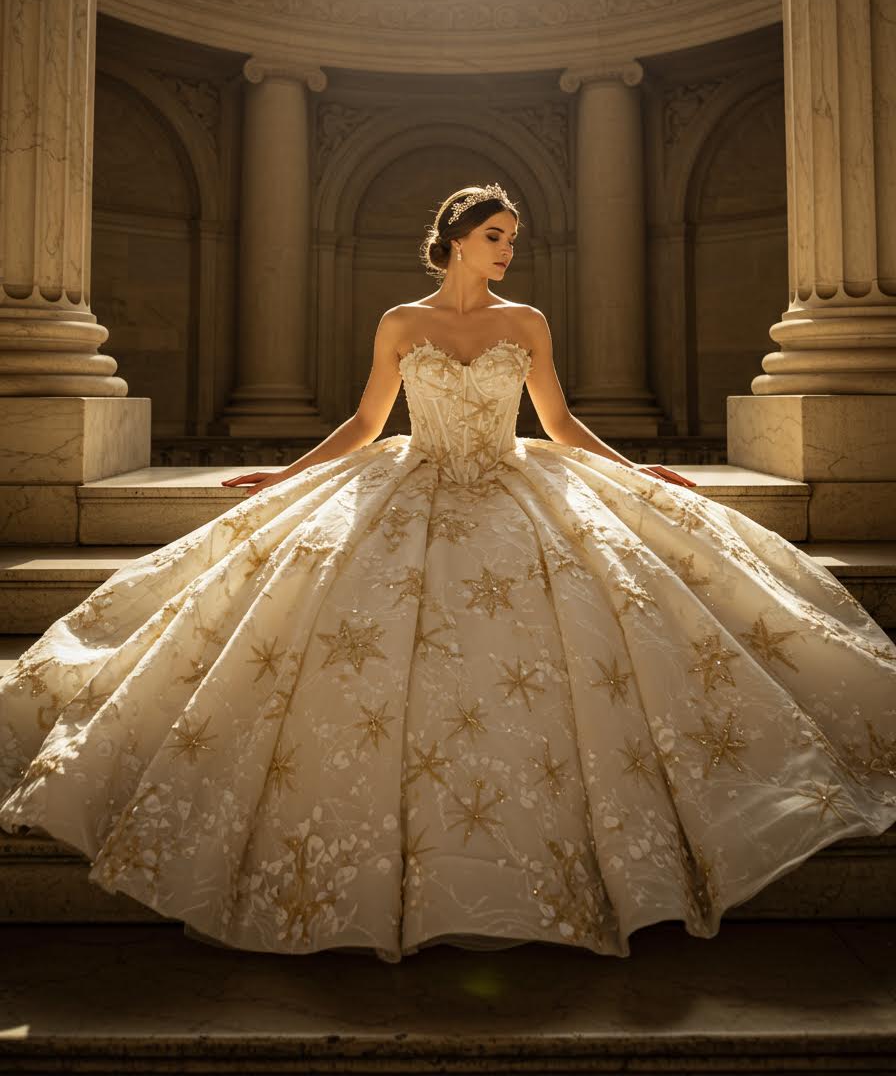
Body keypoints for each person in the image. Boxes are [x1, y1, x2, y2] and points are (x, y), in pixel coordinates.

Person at [1, 183, 894, 964]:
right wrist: (284, 475)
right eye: (498, 236)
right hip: (414, 481)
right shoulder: (401, 322)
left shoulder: (528, 324)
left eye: (514, 237)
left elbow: (558, 424)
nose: (510, 250)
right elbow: (363, 424)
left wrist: (632, 471)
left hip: (513, 486)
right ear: (458, 239)